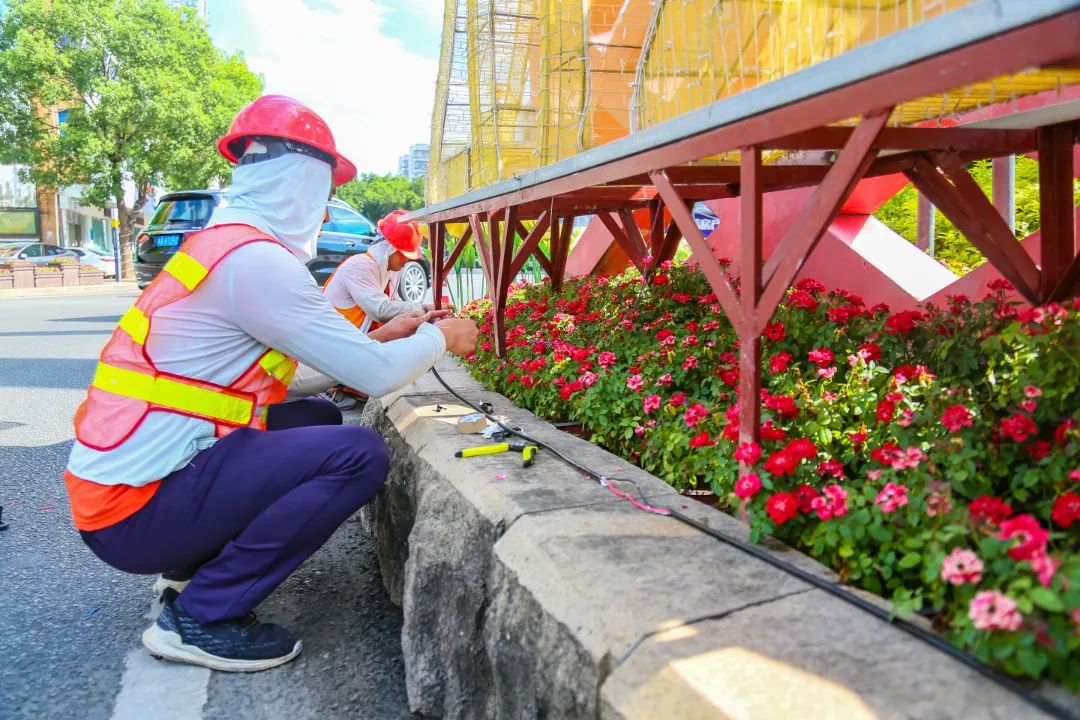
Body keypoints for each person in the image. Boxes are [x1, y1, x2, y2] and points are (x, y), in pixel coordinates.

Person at [63, 94, 478, 672]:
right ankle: (202, 615)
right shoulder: (258, 262)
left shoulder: (223, 244)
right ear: (301, 182)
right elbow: (376, 377)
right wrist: (442, 339)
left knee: (317, 418)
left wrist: (382, 338)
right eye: (324, 193)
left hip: (121, 494)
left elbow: (275, 383)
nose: (325, 213)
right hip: (133, 513)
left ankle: (191, 564)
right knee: (358, 453)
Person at [321, 209, 450, 409]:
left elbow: (396, 304)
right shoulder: (360, 265)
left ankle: (353, 384)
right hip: (332, 344)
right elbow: (380, 310)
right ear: (388, 249)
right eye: (404, 255)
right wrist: (424, 309)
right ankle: (335, 386)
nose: (407, 260)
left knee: (404, 326)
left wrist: (424, 313)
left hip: (353, 337)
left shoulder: (388, 268)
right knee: (395, 326)